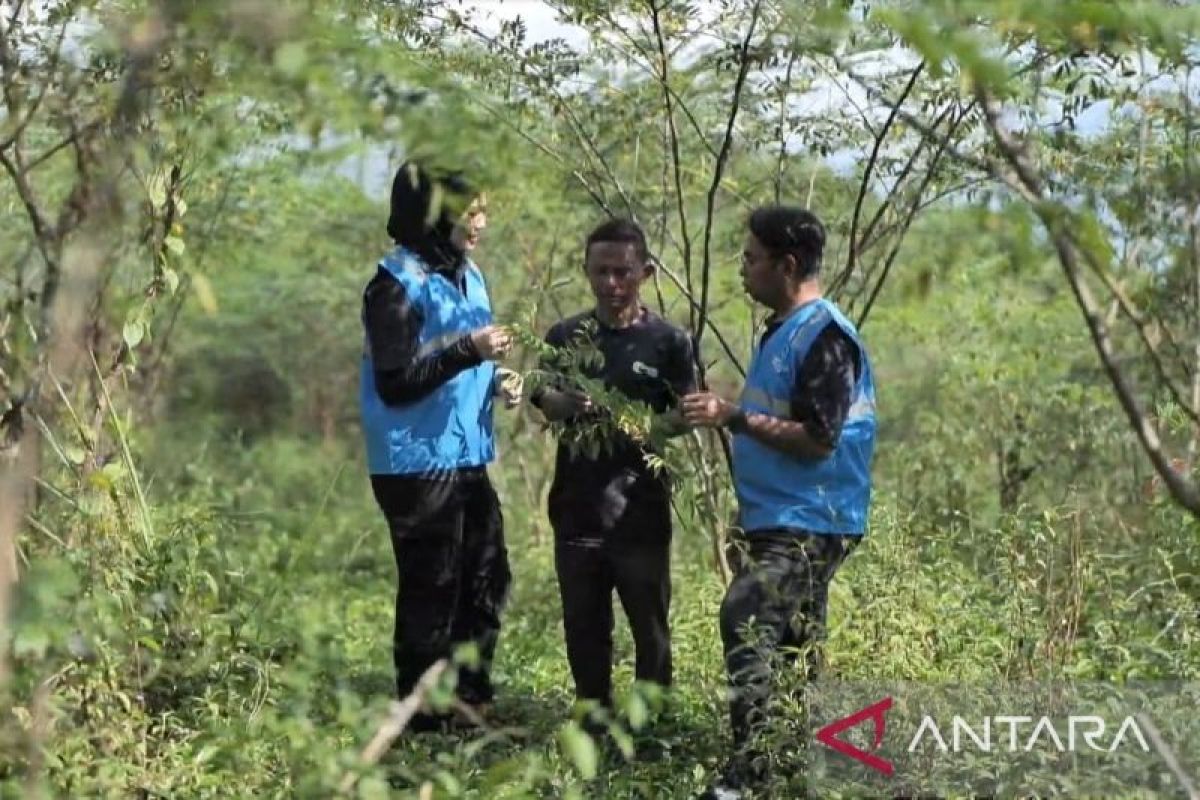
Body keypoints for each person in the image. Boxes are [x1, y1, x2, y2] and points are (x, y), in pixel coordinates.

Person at [680, 206, 877, 798]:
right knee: (793, 645)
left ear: (786, 265)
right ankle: (793, 767)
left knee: (745, 616)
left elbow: (819, 439)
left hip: (811, 518)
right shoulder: (786, 328)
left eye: (751, 259)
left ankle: (749, 775)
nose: (743, 270)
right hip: (782, 518)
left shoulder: (826, 337)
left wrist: (735, 417)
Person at [359, 161, 520, 731]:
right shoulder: (393, 285)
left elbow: (458, 362)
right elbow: (396, 381)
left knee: (486, 577)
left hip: (467, 455)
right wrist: (468, 354)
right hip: (415, 462)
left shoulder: (468, 274)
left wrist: (496, 380)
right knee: (433, 587)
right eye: (469, 211)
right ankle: (423, 719)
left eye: (482, 209)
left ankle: (471, 704)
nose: (481, 222)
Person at [531, 218, 697, 731]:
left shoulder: (670, 341)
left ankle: (653, 728)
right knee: (584, 628)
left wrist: (643, 424)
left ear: (645, 273)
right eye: (601, 272)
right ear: (585, 271)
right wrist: (564, 403)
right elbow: (542, 396)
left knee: (650, 630)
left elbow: (687, 414)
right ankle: (592, 723)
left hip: (640, 514)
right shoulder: (565, 336)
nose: (611, 283)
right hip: (576, 512)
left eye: (623, 272)